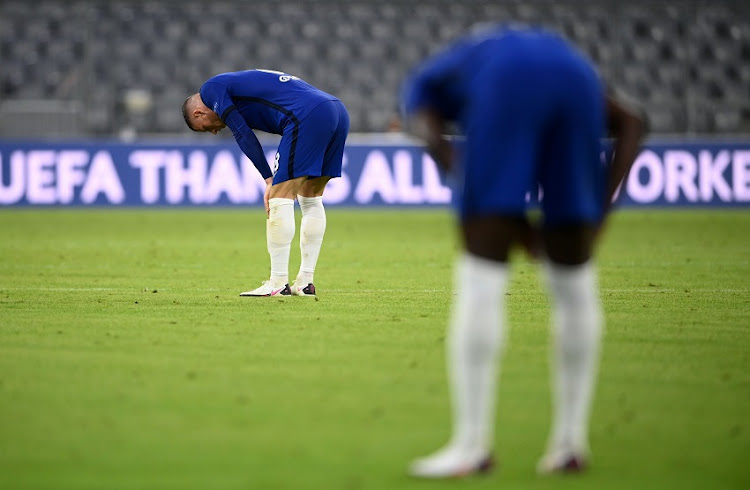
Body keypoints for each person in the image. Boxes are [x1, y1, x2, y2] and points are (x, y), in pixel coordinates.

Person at [400, 25, 645, 478]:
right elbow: (632, 121)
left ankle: (472, 446)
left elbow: (427, 128)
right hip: (577, 76)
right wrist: (598, 216)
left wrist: (468, 182)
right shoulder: (560, 60)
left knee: (481, 279)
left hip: (505, 86)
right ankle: (570, 444)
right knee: (574, 283)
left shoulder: (429, 80)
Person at [182, 69, 349, 297]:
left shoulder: (211, 89)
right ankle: (305, 282)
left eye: (205, 128)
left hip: (305, 114)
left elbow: (242, 133)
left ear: (199, 113)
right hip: (335, 109)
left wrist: (269, 179)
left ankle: (278, 282)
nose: (213, 132)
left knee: (279, 197)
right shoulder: (235, 84)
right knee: (310, 199)